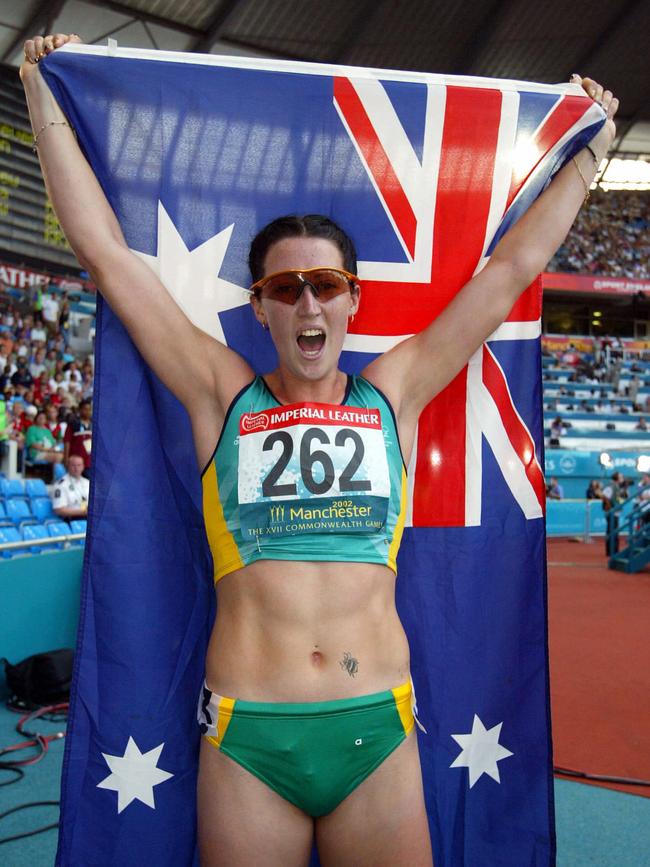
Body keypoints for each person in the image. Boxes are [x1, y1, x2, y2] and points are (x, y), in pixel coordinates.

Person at [21, 33, 618, 867]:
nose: (308, 300)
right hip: (246, 737)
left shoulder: (395, 390)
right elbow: (108, 259)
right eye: (284, 287)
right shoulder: (219, 392)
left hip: (375, 730)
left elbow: (512, 265)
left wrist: (590, 157)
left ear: (350, 300)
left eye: (326, 284)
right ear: (260, 307)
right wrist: (45, 95)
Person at [52, 454, 89, 520]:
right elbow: (59, 510)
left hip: (89, 518)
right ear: (67, 467)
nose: (76, 468)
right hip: (72, 520)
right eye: (73, 465)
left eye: (79, 465)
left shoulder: (87, 482)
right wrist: (83, 512)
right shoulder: (61, 485)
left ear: (83, 467)